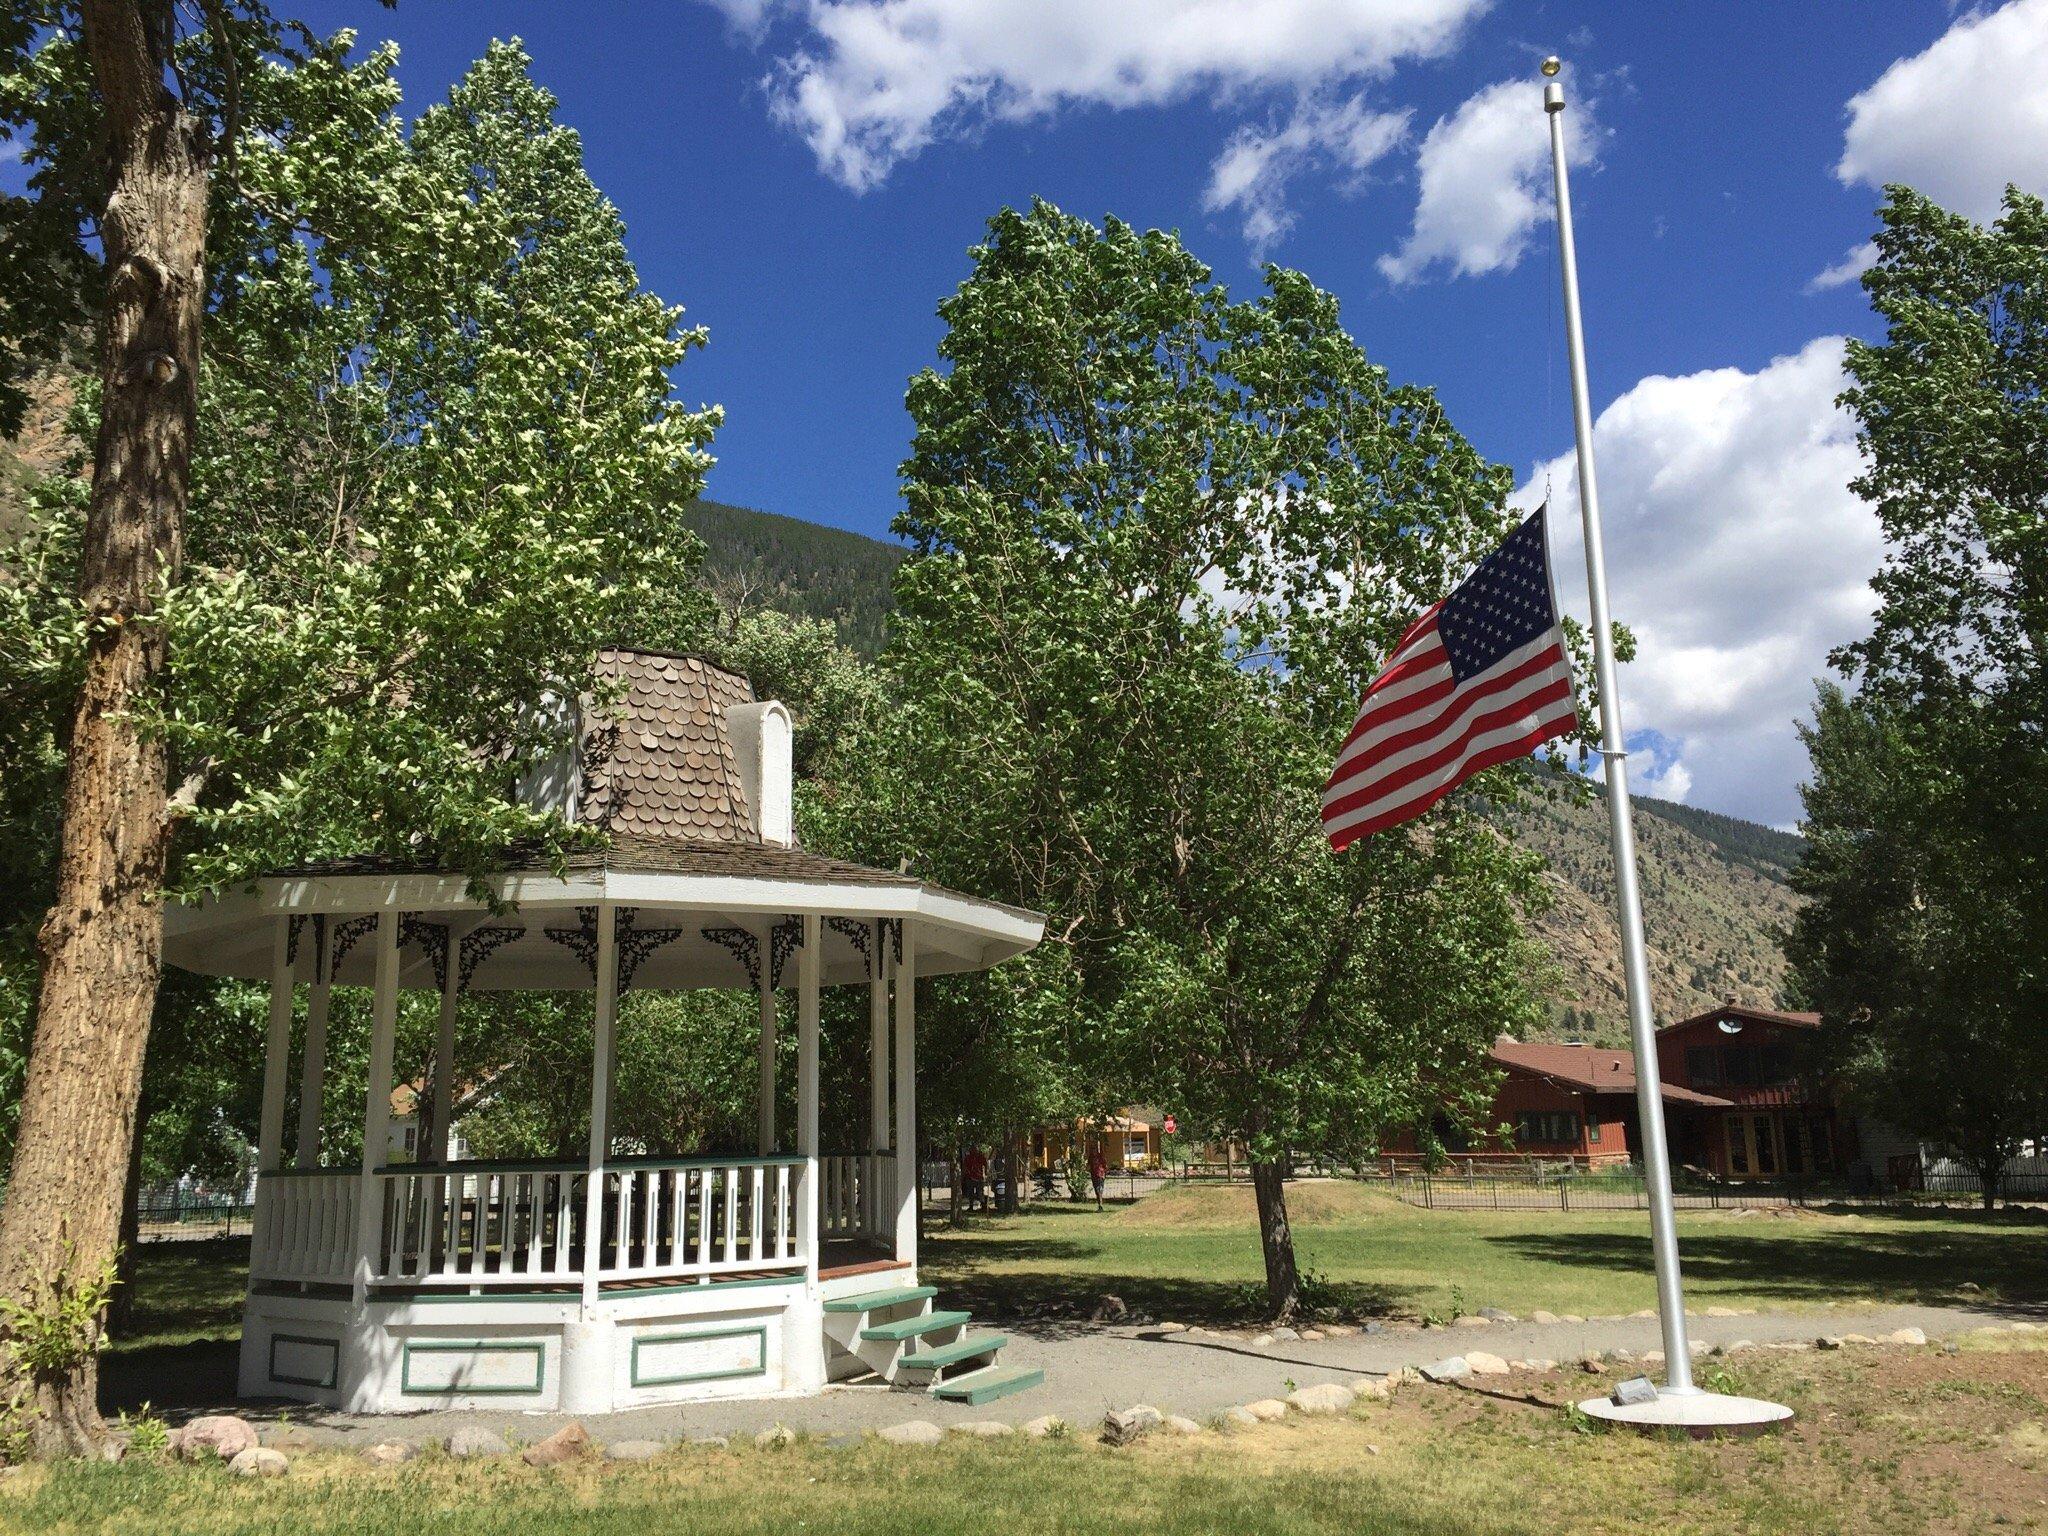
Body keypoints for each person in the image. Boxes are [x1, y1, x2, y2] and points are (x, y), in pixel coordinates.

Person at [962, 1145, 988, 1213]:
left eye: (975, 1150)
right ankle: (971, 1207)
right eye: (972, 1150)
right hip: (970, 1177)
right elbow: (965, 1167)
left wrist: (985, 1173)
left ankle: (983, 1206)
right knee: (970, 1193)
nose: (974, 1151)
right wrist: (963, 1176)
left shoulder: (981, 1156)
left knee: (980, 1193)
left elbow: (985, 1164)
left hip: (979, 1177)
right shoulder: (968, 1157)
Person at [1088, 1145, 1107, 1209]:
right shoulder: (1090, 1157)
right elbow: (1088, 1165)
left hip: (1100, 1175)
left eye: (1094, 1150)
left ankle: (1100, 1205)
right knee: (1096, 1190)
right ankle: (1099, 1204)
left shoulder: (1100, 1157)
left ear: (1096, 1150)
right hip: (1093, 1176)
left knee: (1099, 1190)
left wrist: (1104, 1174)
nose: (1093, 1151)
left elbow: (1105, 1166)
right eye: (1092, 1150)